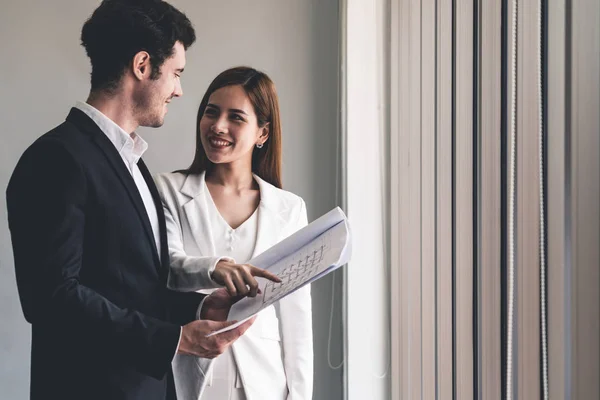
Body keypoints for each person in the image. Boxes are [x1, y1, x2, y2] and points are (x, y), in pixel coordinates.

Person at [5, 2, 267, 400]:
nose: (179, 90)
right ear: (142, 65)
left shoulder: (134, 165)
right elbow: (52, 299)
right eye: (176, 73)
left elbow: (133, 287)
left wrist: (199, 310)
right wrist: (176, 340)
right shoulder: (55, 158)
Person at [155, 66, 313, 400]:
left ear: (262, 133)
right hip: (188, 376)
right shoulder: (167, 189)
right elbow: (167, 266)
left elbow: (296, 319)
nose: (218, 126)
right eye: (211, 113)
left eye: (236, 117)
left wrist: (298, 395)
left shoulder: (289, 209)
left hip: (263, 384)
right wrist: (216, 267)